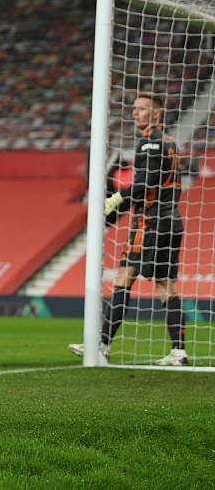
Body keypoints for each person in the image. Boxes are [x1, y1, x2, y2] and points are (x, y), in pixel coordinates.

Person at [69, 93, 187, 366]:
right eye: (134, 108)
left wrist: (116, 197)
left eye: (142, 109)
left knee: (123, 278)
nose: (135, 113)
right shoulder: (169, 142)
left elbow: (145, 183)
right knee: (166, 287)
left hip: (151, 222)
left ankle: (102, 345)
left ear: (156, 114)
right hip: (172, 222)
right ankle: (179, 351)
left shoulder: (149, 143)